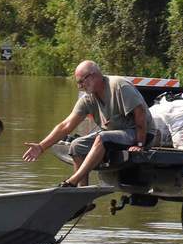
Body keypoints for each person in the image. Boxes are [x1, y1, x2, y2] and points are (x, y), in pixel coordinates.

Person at [22, 60, 153, 187]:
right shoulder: (88, 98)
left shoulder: (119, 86)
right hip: (115, 135)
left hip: (139, 133)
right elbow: (66, 125)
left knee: (102, 137)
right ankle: (82, 193)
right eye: (77, 83)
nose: (79, 86)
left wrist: (139, 144)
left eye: (81, 82)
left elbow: (140, 114)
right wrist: (41, 147)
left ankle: (71, 182)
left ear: (93, 76)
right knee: (76, 145)